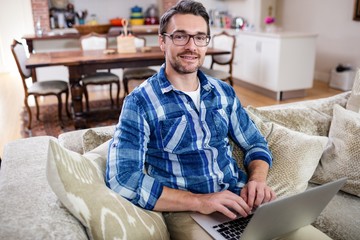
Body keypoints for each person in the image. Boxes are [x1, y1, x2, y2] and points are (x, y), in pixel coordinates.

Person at [106, 1, 331, 239]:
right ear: (163, 41)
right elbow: (123, 178)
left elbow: (255, 143)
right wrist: (201, 201)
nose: (191, 46)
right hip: (188, 211)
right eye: (180, 36)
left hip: (239, 201)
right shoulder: (140, 102)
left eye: (200, 37)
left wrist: (257, 180)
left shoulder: (223, 92)